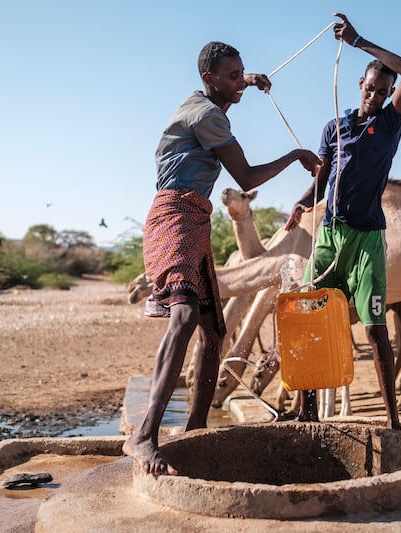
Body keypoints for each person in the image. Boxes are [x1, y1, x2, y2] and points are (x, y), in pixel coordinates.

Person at [123, 41, 321, 477]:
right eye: (233, 77)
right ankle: (143, 436)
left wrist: (246, 82)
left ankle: (195, 427)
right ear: (210, 79)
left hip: (196, 219)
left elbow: (227, 90)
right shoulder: (208, 116)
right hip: (175, 217)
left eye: (242, 73)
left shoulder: (200, 100)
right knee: (185, 315)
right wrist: (296, 156)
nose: (241, 82)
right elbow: (246, 177)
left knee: (214, 330)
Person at [284, 13, 401, 430]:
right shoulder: (334, 127)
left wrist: (359, 40)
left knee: (376, 329)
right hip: (330, 235)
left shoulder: (390, 123)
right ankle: (305, 411)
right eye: (370, 87)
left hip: (367, 240)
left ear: (388, 91)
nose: (375, 94)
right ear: (359, 85)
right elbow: (324, 178)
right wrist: (303, 203)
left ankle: (394, 422)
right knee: (309, 316)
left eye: (382, 90)